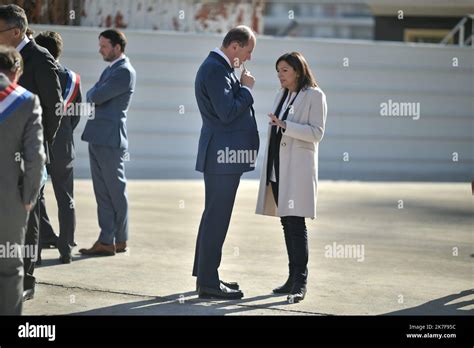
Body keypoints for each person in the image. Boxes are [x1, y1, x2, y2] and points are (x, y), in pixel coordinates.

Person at [0, 4, 63, 302]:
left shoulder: (39, 58)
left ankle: (27, 277)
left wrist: (34, 146)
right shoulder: (4, 59)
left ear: (16, 31)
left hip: (28, 157)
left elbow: (54, 108)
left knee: (29, 217)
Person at [192, 26, 259, 299]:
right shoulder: (216, 69)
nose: (249, 58)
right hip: (222, 156)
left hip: (223, 155)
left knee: (214, 217)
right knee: (217, 218)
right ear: (234, 46)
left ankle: (207, 276)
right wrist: (245, 89)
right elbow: (227, 112)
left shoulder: (219, 68)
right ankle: (208, 282)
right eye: (248, 51)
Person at [255, 52, 327, 303]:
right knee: (286, 223)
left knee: (296, 225)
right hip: (278, 168)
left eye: (284, 70)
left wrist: (286, 125)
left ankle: (300, 282)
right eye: (278, 71)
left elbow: (317, 133)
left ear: (298, 70)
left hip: (297, 170)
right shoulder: (281, 95)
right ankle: (291, 278)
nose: (280, 75)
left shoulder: (315, 96)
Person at [79, 29, 136, 256]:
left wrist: (93, 93)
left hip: (109, 139)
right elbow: (94, 94)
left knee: (114, 191)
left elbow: (95, 96)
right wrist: (93, 93)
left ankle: (114, 239)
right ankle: (111, 239)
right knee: (104, 192)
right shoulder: (112, 70)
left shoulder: (123, 72)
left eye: (104, 46)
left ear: (117, 48)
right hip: (100, 137)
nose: (100, 49)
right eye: (100, 45)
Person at [0, 46, 45, 315]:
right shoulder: (26, 101)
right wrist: (28, 197)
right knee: (8, 267)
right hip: (9, 200)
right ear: (16, 71)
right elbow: (35, 158)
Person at [34, 30, 82, 264]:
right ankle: (66, 248)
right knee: (66, 197)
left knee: (36, 196)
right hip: (64, 145)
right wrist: (64, 135)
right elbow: (75, 116)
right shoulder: (73, 78)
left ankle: (39, 246)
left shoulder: (35, 71)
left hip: (39, 141)